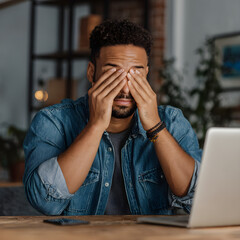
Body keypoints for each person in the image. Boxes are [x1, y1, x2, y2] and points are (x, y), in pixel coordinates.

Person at [23, 19, 202, 216]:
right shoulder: (53, 122)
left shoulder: (172, 122)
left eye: (135, 74)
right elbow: (44, 202)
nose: (125, 88)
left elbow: (197, 200)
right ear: (92, 73)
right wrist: (96, 126)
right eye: (113, 74)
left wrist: (155, 126)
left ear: (147, 74)